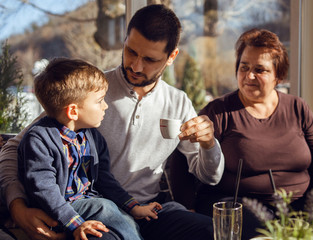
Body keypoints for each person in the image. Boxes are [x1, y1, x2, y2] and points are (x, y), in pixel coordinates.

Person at [0, 4, 224, 240]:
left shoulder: (178, 103)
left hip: (148, 210)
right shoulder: (89, 91)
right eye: (130, 51)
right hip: (97, 211)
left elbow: (211, 176)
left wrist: (209, 144)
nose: (136, 66)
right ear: (125, 40)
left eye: (149, 59)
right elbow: (14, 147)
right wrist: (18, 207)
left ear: (171, 57)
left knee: (212, 231)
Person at [192, 28, 313, 239]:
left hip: (299, 202)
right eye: (244, 67)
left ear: (279, 75)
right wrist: (188, 208)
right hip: (241, 205)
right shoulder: (219, 111)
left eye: (260, 69)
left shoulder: (297, 107)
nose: (249, 76)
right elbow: (182, 157)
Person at [18, 58, 162, 240]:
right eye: (100, 101)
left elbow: (104, 179)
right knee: (105, 207)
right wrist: (75, 223)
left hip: (90, 205)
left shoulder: (92, 137)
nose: (105, 106)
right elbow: (44, 189)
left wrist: (133, 207)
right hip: (59, 211)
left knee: (122, 218)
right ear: (73, 111)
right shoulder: (39, 139)